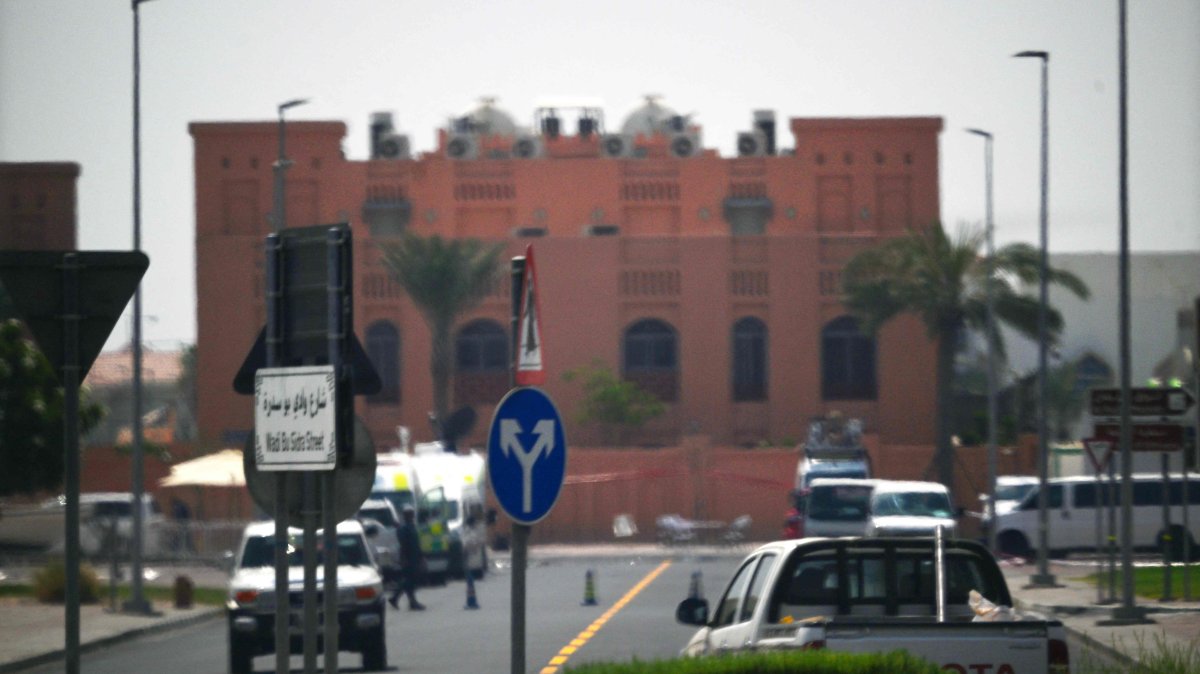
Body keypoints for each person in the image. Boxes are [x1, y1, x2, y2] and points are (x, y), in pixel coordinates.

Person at [389, 504, 426, 610]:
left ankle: (398, 599)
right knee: (410, 580)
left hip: (414, 557)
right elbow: (403, 545)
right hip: (409, 558)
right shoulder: (404, 529)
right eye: (410, 514)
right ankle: (409, 601)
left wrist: (421, 557)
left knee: (409, 580)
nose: (412, 516)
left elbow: (417, 544)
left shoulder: (411, 527)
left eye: (412, 514)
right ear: (406, 516)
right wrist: (403, 558)